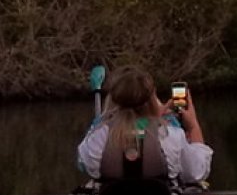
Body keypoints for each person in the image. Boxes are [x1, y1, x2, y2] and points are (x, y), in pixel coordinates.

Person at [77, 65, 212, 185]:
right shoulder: (170, 136)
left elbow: (83, 162)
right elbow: (196, 172)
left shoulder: (98, 137)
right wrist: (193, 126)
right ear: (153, 100)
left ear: (115, 99)